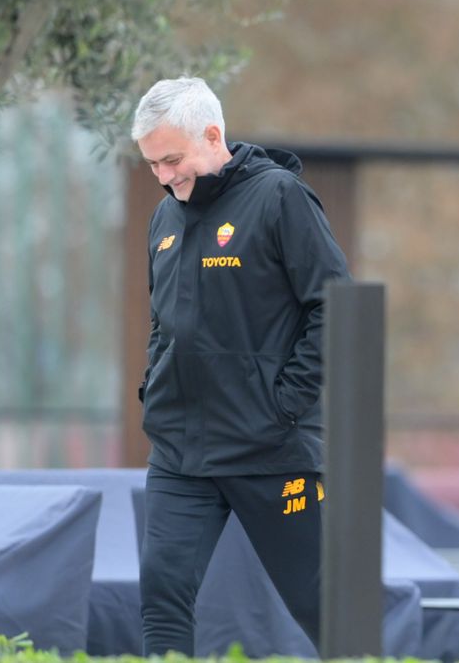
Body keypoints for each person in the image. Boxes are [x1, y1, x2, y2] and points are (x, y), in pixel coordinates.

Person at [131, 77, 350, 655]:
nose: (163, 176)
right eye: (152, 164)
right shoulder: (163, 219)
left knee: (329, 609)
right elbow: (163, 321)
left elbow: (334, 307)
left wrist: (282, 406)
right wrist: (155, 386)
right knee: (162, 595)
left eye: (171, 159)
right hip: (181, 454)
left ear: (211, 134)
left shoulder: (280, 198)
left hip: (271, 451)